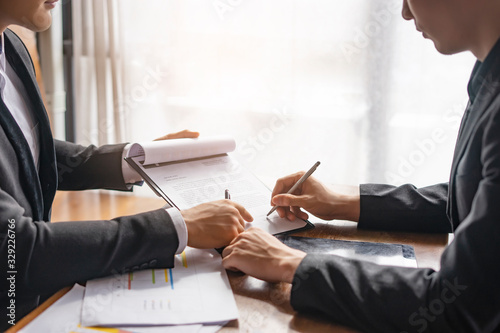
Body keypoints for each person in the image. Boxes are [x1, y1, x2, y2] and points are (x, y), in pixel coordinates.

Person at [222, 0, 500, 332]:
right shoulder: (488, 73)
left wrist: (290, 264)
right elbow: (475, 203)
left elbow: (456, 308)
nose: (405, 13)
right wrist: (343, 202)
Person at [0, 1, 253, 330]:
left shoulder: (12, 47)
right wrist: (178, 227)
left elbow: (29, 155)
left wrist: (137, 161)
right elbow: (21, 248)